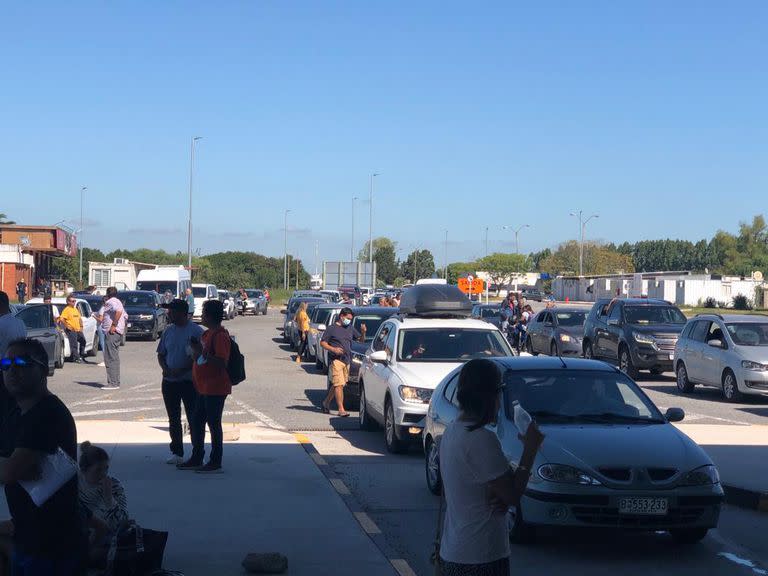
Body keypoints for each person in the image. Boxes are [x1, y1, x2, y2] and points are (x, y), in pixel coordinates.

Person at [0, 338, 85, 575]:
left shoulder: (47, 413)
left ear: (44, 369)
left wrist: (13, 467)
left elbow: (10, 471)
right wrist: (15, 466)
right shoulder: (17, 414)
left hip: (54, 544)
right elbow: (15, 468)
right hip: (28, 535)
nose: (12, 370)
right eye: (6, 363)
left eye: (22, 362)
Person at [438, 359, 525, 575]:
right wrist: (531, 448)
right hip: (480, 556)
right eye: (498, 392)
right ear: (488, 396)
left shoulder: (453, 430)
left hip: (454, 552)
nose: (499, 400)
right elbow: (512, 495)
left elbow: (482, 486)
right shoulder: (481, 439)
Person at [178, 299, 231, 473]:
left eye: (204, 311)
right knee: (197, 421)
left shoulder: (220, 336)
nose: (202, 314)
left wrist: (201, 352)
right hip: (203, 387)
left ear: (210, 315)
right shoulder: (207, 335)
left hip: (215, 388)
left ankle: (216, 460)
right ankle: (197, 456)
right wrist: (194, 351)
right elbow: (200, 358)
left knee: (214, 424)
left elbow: (221, 362)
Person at [157, 299, 204, 465]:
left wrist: (183, 370)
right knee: (173, 418)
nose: (169, 314)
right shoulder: (168, 331)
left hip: (189, 382)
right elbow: (161, 354)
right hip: (169, 382)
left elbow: (200, 356)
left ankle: (197, 452)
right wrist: (165, 368)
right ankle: (176, 451)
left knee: (194, 417)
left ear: (183, 313)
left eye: (172, 311)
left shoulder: (197, 331)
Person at [78, 441, 129, 567]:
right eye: (98, 470)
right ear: (84, 470)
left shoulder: (114, 485)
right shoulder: (75, 483)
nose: (104, 474)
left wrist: (109, 498)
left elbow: (122, 523)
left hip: (106, 537)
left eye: (106, 468)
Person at [320, 308, 366, 417]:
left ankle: (326, 402)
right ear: (341, 316)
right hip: (336, 360)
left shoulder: (350, 328)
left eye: (350, 319)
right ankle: (341, 409)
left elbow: (360, 340)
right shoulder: (331, 329)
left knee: (339, 384)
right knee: (339, 384)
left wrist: (363, 332)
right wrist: (333, 349)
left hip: (347, 360)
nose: (349, 320)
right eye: (348, 318)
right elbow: (323, 343)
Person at [101, 287, 126, 390]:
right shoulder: (117, 301)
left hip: (112, 332)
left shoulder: (112, 302)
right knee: (113, 357)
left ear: (108, 294)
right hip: (113, 331)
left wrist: (113, 325)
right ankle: (115, 381)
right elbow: (124, 315)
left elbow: (119, 312)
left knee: (110, 357)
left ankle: (113, 383)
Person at [57, 296, 87, 364]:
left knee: (83, 341)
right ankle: (76, 358)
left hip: (78, 329)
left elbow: (79, 318)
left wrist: (81, 326)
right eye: (73, 301)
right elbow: (62, 319)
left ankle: (81, 355)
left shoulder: (75, 309)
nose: (74, 302)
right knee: (74, 344)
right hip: (71, 330)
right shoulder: (66, 309)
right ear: (68, 302)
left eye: (74, 301)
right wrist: (67, 326)